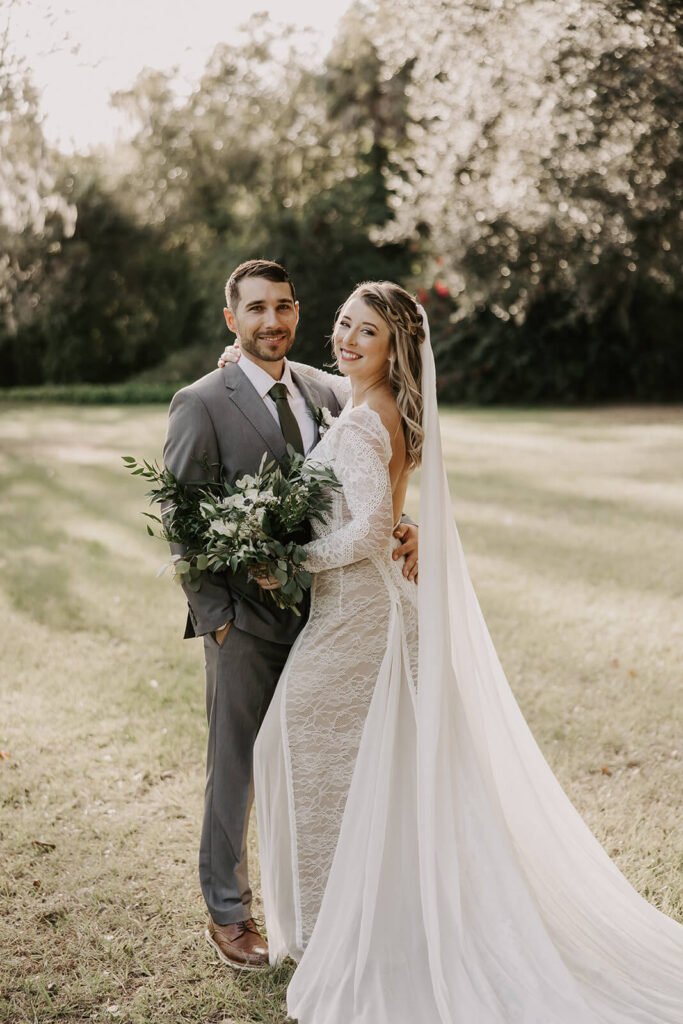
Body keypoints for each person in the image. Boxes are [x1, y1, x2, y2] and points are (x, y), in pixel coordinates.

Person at [220, 280, 683, 1022]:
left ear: (393, 346)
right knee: (367, 763)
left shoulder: (367, 421)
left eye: (364, 332)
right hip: (367, 608)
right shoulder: (369, 404)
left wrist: (288, 557)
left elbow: (371, 530)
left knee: (288, 743)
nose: (345, 339)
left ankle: (334, 927)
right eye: (340, 323)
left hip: (361, 612)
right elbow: (366, 464)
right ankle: (347, 914)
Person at [162, 260, 418, 972]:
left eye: (282, 308)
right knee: (236, 765)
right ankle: (229, 914)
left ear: (297, 311)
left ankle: (322, 904)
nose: (271, 322)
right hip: (242, 619)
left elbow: (380, 451)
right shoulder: (201, 402)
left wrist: (407, 523)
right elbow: (178, 516)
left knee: (319, 760)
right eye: (255, 310)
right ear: (230, 320)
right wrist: (215, 616)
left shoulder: (327, 387)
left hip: (333, 618)